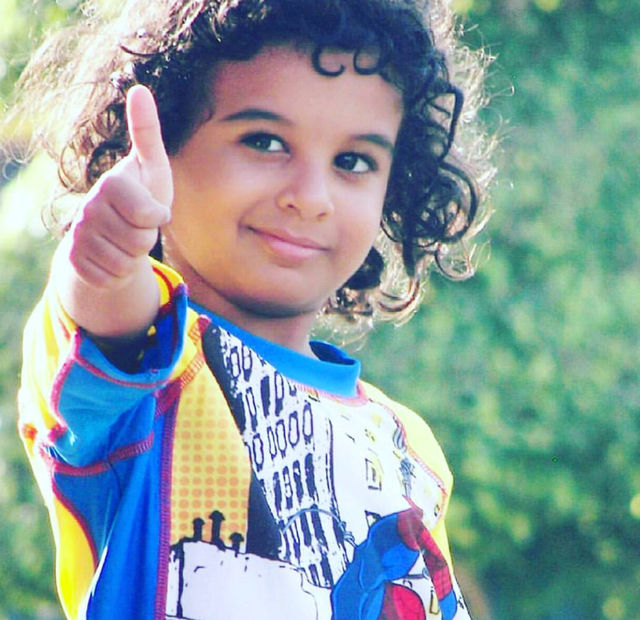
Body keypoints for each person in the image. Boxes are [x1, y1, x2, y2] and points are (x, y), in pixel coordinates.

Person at [15, 0, 495, 618]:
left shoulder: (409, 447)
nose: (311, 197)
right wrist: (105, 260)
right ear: (161, 147)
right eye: (265, 142)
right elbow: (107, 317)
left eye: (353, 161)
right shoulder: (149, 377)